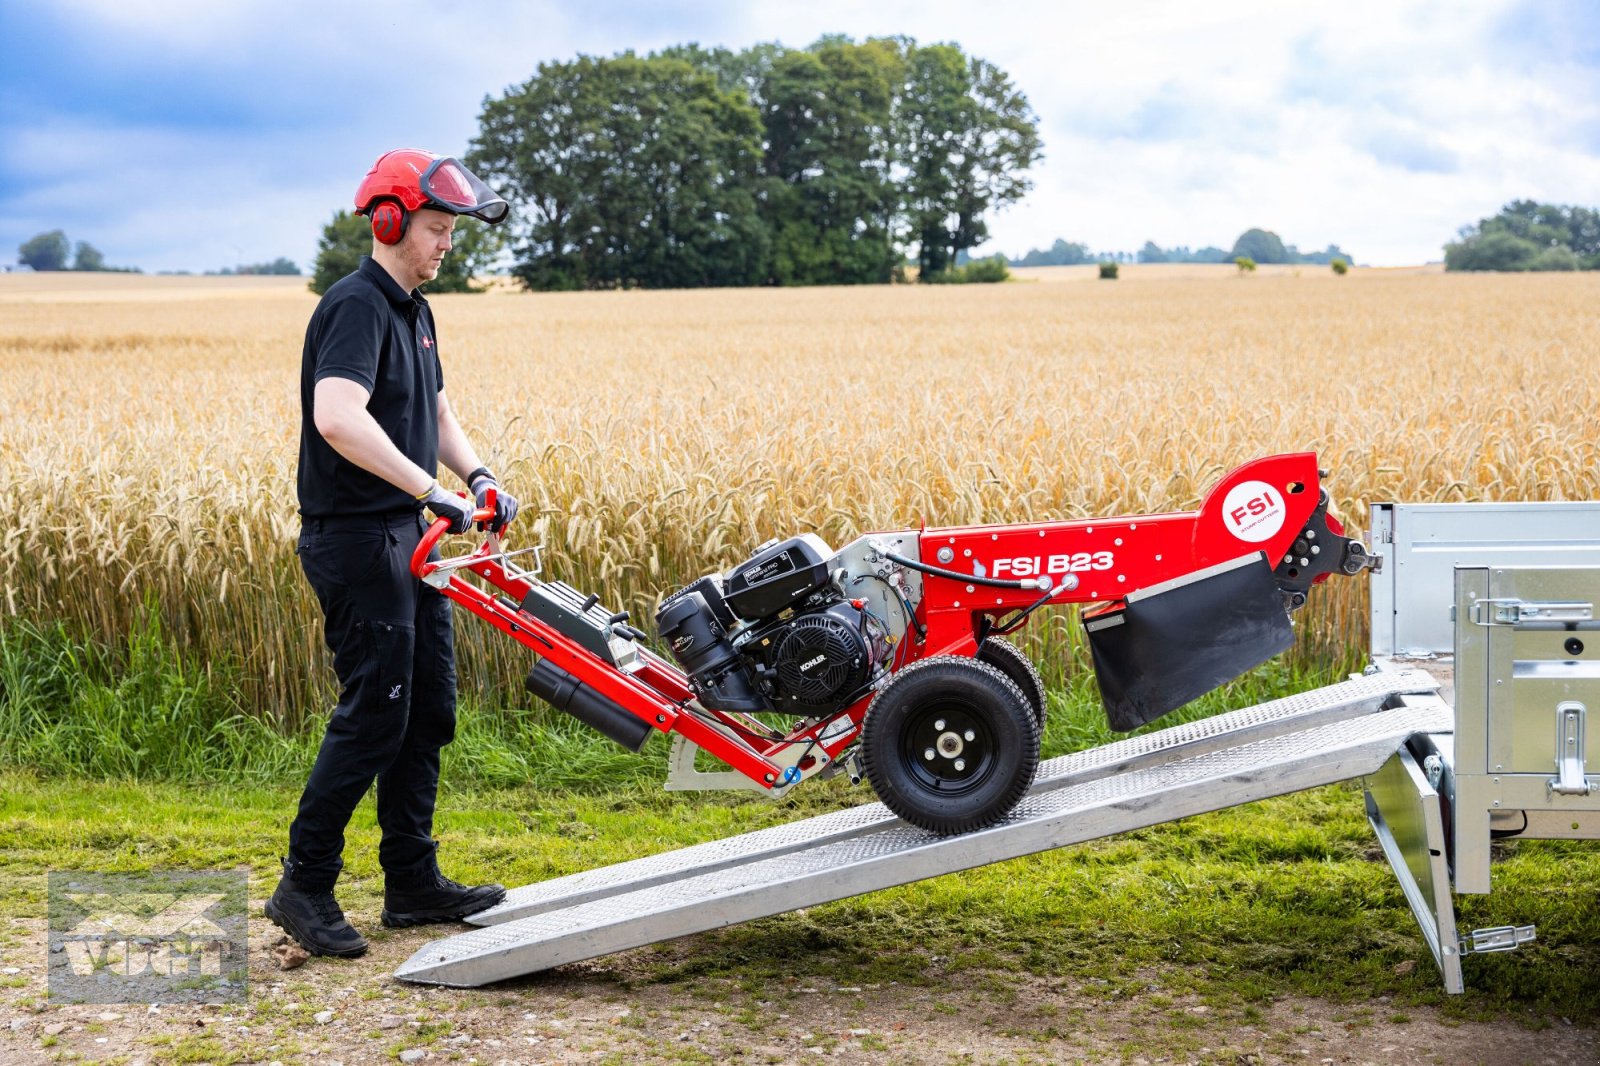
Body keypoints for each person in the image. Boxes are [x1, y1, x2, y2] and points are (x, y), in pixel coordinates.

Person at [266, 148, 520, 957]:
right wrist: (426, 490)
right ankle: (303, 885)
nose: (446, 243)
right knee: (376, 714)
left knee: (428, 712)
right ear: (389, 221)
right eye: (437, 228)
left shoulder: (416, 311)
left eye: (451, 230)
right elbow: (338, 416)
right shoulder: (355, 306)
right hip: (358, 538)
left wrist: (474, 474)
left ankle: (411, 882)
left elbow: (434, 407)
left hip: (412, 540)